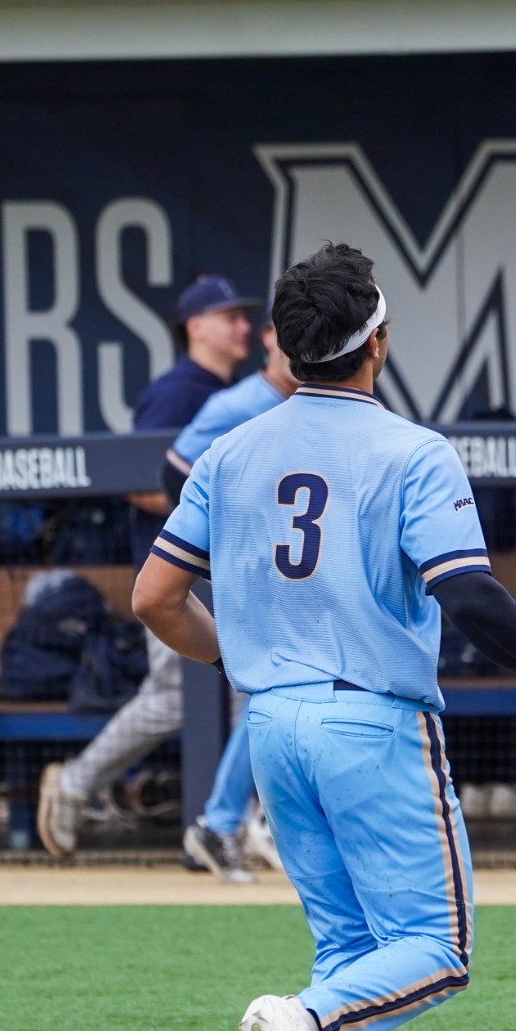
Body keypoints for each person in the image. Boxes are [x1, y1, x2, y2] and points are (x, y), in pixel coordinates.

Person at [132, 242, 516, 1031]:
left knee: (351, 944)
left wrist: (242, 661)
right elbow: (468, 596)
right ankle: (299, 1021)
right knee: (438, 950)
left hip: (272, 724)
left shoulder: (228, 451)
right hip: (372, 722)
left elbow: (154, 597)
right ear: (376, 343)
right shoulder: (410, 449)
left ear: (285, 344)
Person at [38, 273, 256, 859]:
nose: (242, 327)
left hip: (214, 570)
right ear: (195, 326)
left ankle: (247, 824)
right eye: (228, 316)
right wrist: (218, 507)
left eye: (243, 316)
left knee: (248, 693)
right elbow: (140, 481)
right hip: (177, 573)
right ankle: (77, 781)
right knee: (177, 696)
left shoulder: (228, 390)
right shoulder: (179, 391)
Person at [160, 323, 299, 883]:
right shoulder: (238, 403)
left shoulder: (323, 407)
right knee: (270, 688)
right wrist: (218, 545)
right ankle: (223, 824)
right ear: (269, 339)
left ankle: (233, 823)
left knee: (274, 692)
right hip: (250, 574)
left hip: (295, 573)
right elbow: (170, 473)